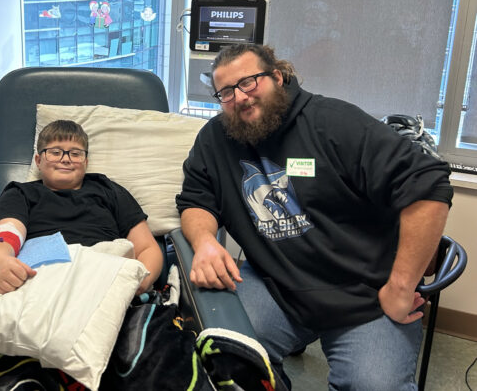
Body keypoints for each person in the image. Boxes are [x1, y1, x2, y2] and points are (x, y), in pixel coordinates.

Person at [176, 44, 452, 390]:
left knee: (374, 385)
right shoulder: (216, 138)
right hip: (276, 286)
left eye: (249, 82)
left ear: (277, 77)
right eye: (227, 92)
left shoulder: (333, 123)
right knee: (220, 357)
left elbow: (428, 186)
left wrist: (400, 286)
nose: (241, 97)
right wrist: (204, 242)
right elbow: (195, 199)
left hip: (364, 297)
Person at [0, 119, 163, 297]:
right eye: (55, 152)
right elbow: (8, 233)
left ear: (85, 162)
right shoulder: (20, 193)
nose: (65, 159)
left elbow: (148, 248)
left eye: (75, 154)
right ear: (38, 161)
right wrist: (0, 260)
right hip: (44, 279)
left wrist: (139, 283)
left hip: (104, 277)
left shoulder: (107, 189)